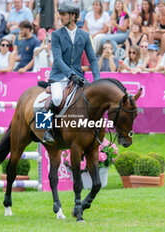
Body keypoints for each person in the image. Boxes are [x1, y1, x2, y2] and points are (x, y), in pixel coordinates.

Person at [43, 1, 100, 144]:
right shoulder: (56, 35)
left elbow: (93, 59)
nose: (60, 17)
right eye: (59, 14)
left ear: (73, 16)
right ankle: (47, 129)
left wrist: (97, 80)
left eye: (63, 15)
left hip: (78, 78)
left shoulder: (85, 36)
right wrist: (71, 75)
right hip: (59, 77)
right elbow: (57, 59)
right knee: (56, 99)